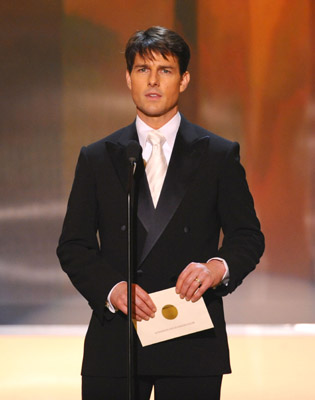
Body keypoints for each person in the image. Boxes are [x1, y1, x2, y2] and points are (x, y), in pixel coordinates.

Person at [57, 26, 264, 400]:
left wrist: (216, 267)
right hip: (117, 342)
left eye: (165, 70)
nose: (153, 81)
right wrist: (112, 288)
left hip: (191, 338)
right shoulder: (97, 157)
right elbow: (74, 245)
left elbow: (247, 236)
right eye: (142, 69)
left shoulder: (218, 155)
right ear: (128, 78)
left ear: (184, 80)